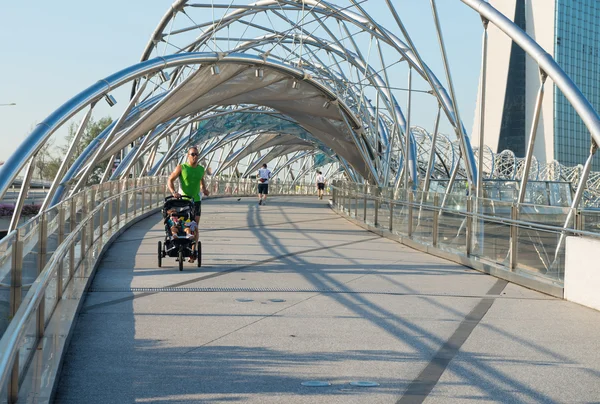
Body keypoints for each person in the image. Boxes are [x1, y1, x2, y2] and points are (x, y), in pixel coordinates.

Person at [168, 146, 209, 262]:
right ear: (188, 155)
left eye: (197, 154)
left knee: (194, 226)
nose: (195, 156)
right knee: (181, 224)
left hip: (195, 201)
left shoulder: (201, 169)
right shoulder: (182, 167)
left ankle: (193, 250)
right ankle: (181, 245)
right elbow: (170, 180)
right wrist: (173, 192)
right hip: (183, 201)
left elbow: (201, 180)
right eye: (193, 154)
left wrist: (204, 189)